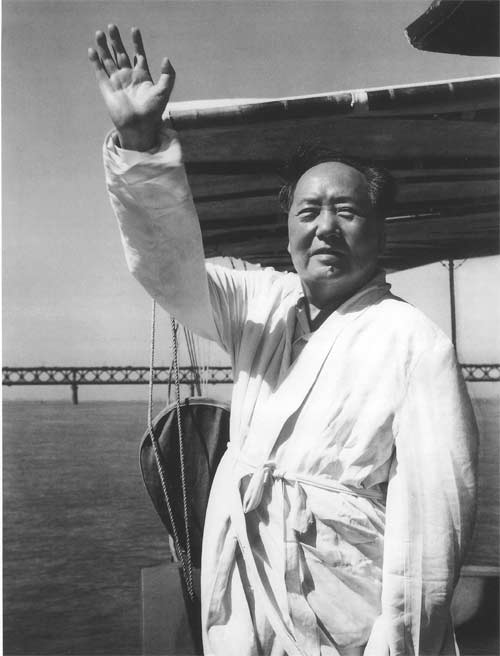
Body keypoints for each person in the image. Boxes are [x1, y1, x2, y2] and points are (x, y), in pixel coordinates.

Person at [89, 26, 478, 656]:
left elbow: (433, 535)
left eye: (347, 211)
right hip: (242, 603)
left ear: (380, 230)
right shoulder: (260, 304)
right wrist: (141, 146)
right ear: (288, 229)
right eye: (308, 211)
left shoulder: (415, 344)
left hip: (347, 621)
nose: (326, 227)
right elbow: (168, 269)